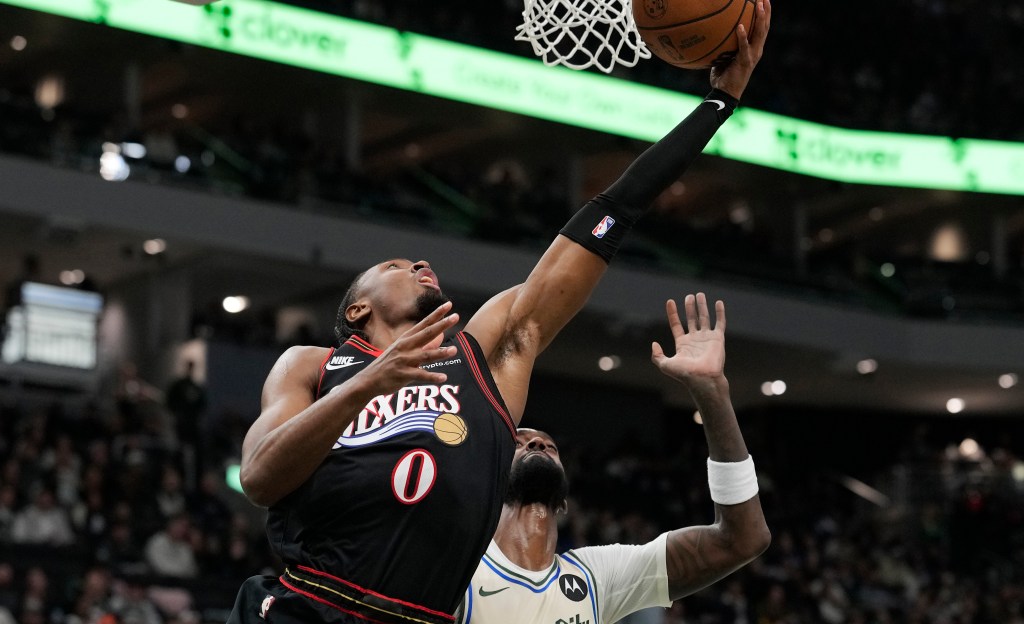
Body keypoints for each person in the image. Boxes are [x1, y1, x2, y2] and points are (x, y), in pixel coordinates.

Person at [228, 6, 770, 622]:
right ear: (357, 308)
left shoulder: (483, 357)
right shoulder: (313, 366)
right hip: (309, 602)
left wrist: (716, 107)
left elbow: (607, 218)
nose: (422, 265)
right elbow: (260, 478)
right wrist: (367, 386)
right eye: (400, 265)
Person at [455, 293, 770, 623]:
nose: (537, 443)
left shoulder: (597, 577)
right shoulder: (456, 569)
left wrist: (712, 393)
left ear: (565, 502)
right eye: (517, 442)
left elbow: (743, 539)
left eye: (550, 446)